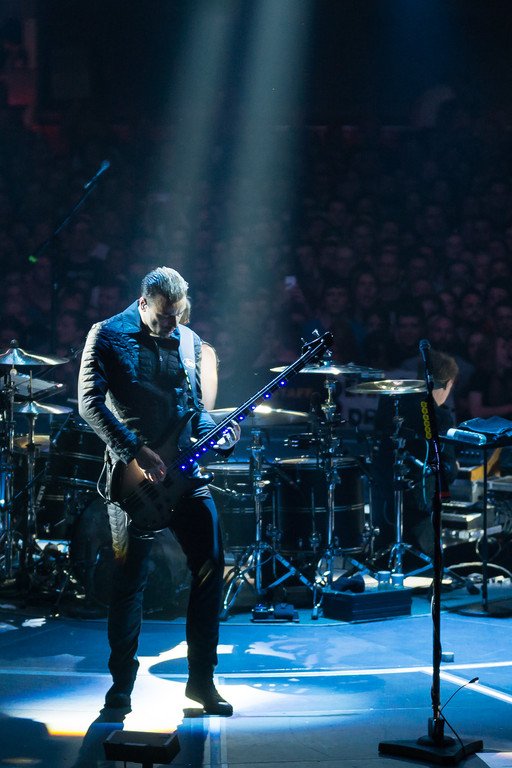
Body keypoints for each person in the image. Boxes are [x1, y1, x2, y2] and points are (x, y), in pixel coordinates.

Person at [78, 266, 240, 715]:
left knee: (211, 567)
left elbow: (194, 409)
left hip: (186, 474)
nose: (173, 324)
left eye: (178, 315)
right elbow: (89, 403)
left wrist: (220, 436)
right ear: (143, 302)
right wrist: (135, 450)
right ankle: (121, 686)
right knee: (130, 579)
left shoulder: (190, 340)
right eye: (164, 316)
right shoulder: (106, 334)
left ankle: (202, 682)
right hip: (133, 477)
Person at [371, 350, 459, 558]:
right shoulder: (440, 416)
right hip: (418, 507)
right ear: (449, 383)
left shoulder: (392, 405)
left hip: (383, 499)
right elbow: (446, 471)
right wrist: (454, 467)